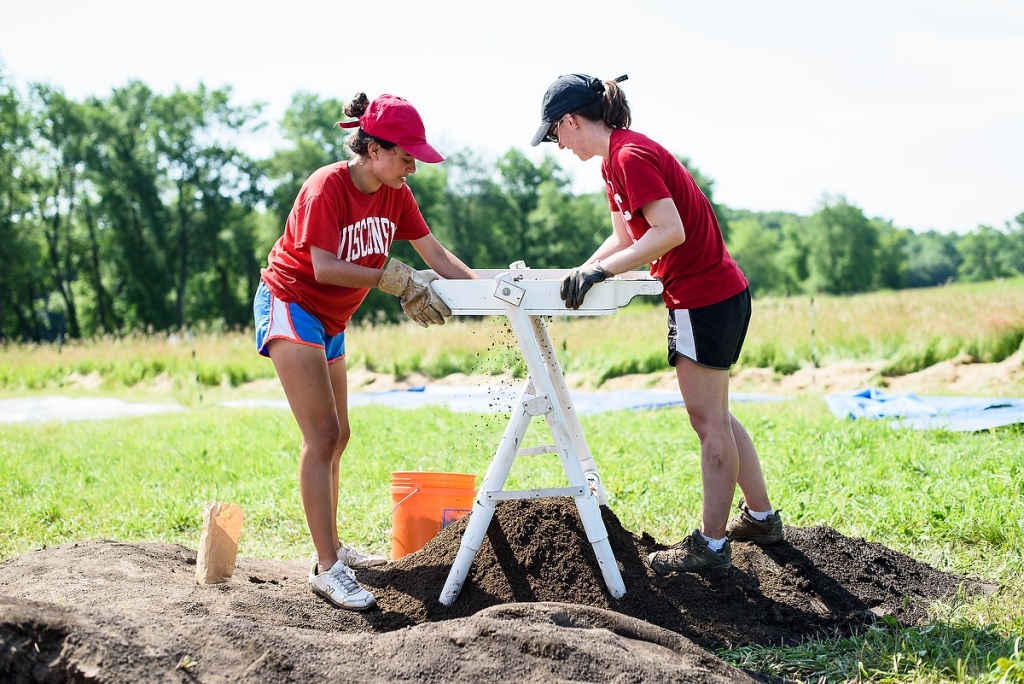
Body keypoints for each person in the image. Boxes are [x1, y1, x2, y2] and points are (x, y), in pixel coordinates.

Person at [530, 73, 783, 573]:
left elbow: (669, 231)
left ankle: (710, 548)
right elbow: (625, 237)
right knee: (719, 417)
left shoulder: (630, 156)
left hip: (704, 298)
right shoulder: (615, 163)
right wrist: (584, 270)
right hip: (714, 295)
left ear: (571, 121)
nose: (557, 144)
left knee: (707, 421)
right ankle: (760, 518)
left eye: (555, 134)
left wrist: (601, 271)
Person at [255, 92, 477, 609]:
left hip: (332, 319)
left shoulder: (396, 193)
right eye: (406, 156)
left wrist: (491, 298)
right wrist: (394, 279)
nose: (413, 167)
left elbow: (436, 255)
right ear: (373, 148)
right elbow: (324, 267)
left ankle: (330, 550)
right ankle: (327, 569)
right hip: (292, 303)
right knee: (323, 434)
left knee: (342, 435)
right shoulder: (326, 186)